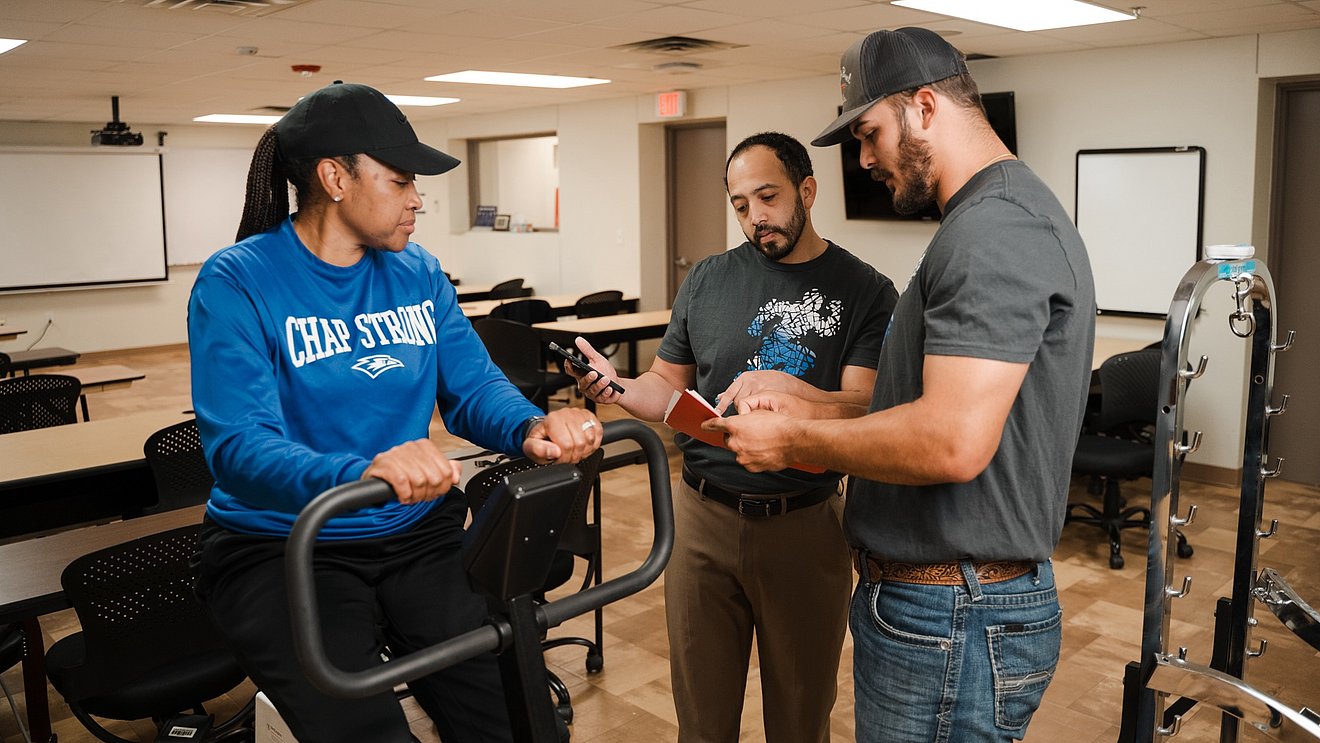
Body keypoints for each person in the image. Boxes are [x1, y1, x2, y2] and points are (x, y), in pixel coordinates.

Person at [705, 28, 1097, 743]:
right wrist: (813, 399)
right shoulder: (985, 219)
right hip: (945, 606)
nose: (863, 159)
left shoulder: (994, 230)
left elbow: (951, 441)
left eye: (868, 133)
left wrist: (795, 435)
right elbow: (934, 402)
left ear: (924, 106)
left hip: (954, 613)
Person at [187, 81, 601, 743]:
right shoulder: (238, 280)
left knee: (521, 720)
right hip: (285, 546)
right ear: (334, 178)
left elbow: (471, 387)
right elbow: (237, 446)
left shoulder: (417, 272)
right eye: (401, 179)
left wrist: (530, 425)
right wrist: (362, 469)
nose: (418, 198)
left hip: (413, 535)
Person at [570, 132, 898, 743]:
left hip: (804, 523)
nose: (756, 218)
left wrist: (791, 396)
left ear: (807, 190)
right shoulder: (708, 280)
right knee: (701, 716)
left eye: (768, 198)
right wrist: (616, 387)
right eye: (741, 205)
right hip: (702, 520)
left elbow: (863, 410)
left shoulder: (867, 291)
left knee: (800, 719)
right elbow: (666, 390)